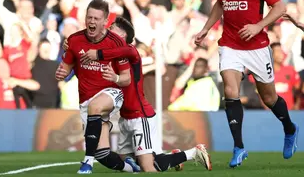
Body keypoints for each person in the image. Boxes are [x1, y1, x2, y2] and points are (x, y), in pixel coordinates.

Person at [194, 0, 299, 168]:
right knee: (230, 90)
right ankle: (239, 147)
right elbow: (219, 5)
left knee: (269, 98)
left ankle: (290, 128)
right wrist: (205, 29)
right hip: (230, 46)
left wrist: (258, 26)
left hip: (258, 48)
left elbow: (280, 7)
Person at [78, 17, 212, 172]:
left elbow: (121, 62)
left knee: (148, 168)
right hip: (125, 118)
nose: (108, 29)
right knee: (128, 163)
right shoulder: (112, 54)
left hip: (140, 116)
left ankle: (193, 153)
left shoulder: (130, 51)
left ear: (122, 35)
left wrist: (103, 61)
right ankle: (169, 157)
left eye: (113, 27)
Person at [55, 0, 135, 174]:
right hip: (86, 97)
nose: (91, 22)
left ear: (105, 21)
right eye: (89, 17)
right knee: (103, 154)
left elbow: (126, 79)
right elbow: (67, 66)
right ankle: (132, 168)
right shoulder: (74, 40)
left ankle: (87, 161)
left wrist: (114, 77)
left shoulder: (116, 43)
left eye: (96, 18)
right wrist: (62, 72)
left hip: (112, 92)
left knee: (95, 106)